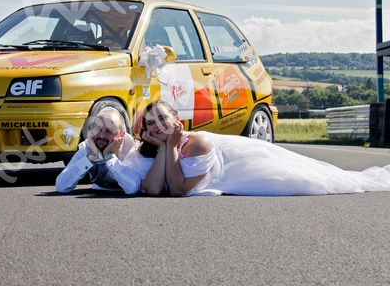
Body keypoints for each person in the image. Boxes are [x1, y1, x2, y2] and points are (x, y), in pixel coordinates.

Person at [138, 100, 390, 196]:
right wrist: (162, 148)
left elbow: (178, 189)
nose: (158, 126)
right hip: (225, 161)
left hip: (245, 164)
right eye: (151, 123)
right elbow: (152, 189)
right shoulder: (164, 145)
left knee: (309, 182)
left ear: (177, 121)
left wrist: (169, 146)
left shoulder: (197, 143)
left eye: (163, 118)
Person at [55, 107, 145, 195]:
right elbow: (61, 186)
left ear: (121, 135)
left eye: (109, 131)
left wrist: (109, 157)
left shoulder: (129, 147)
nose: (101, 135)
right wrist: (89, 159)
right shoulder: (89, 145)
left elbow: (133, 188)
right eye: (98, 129)